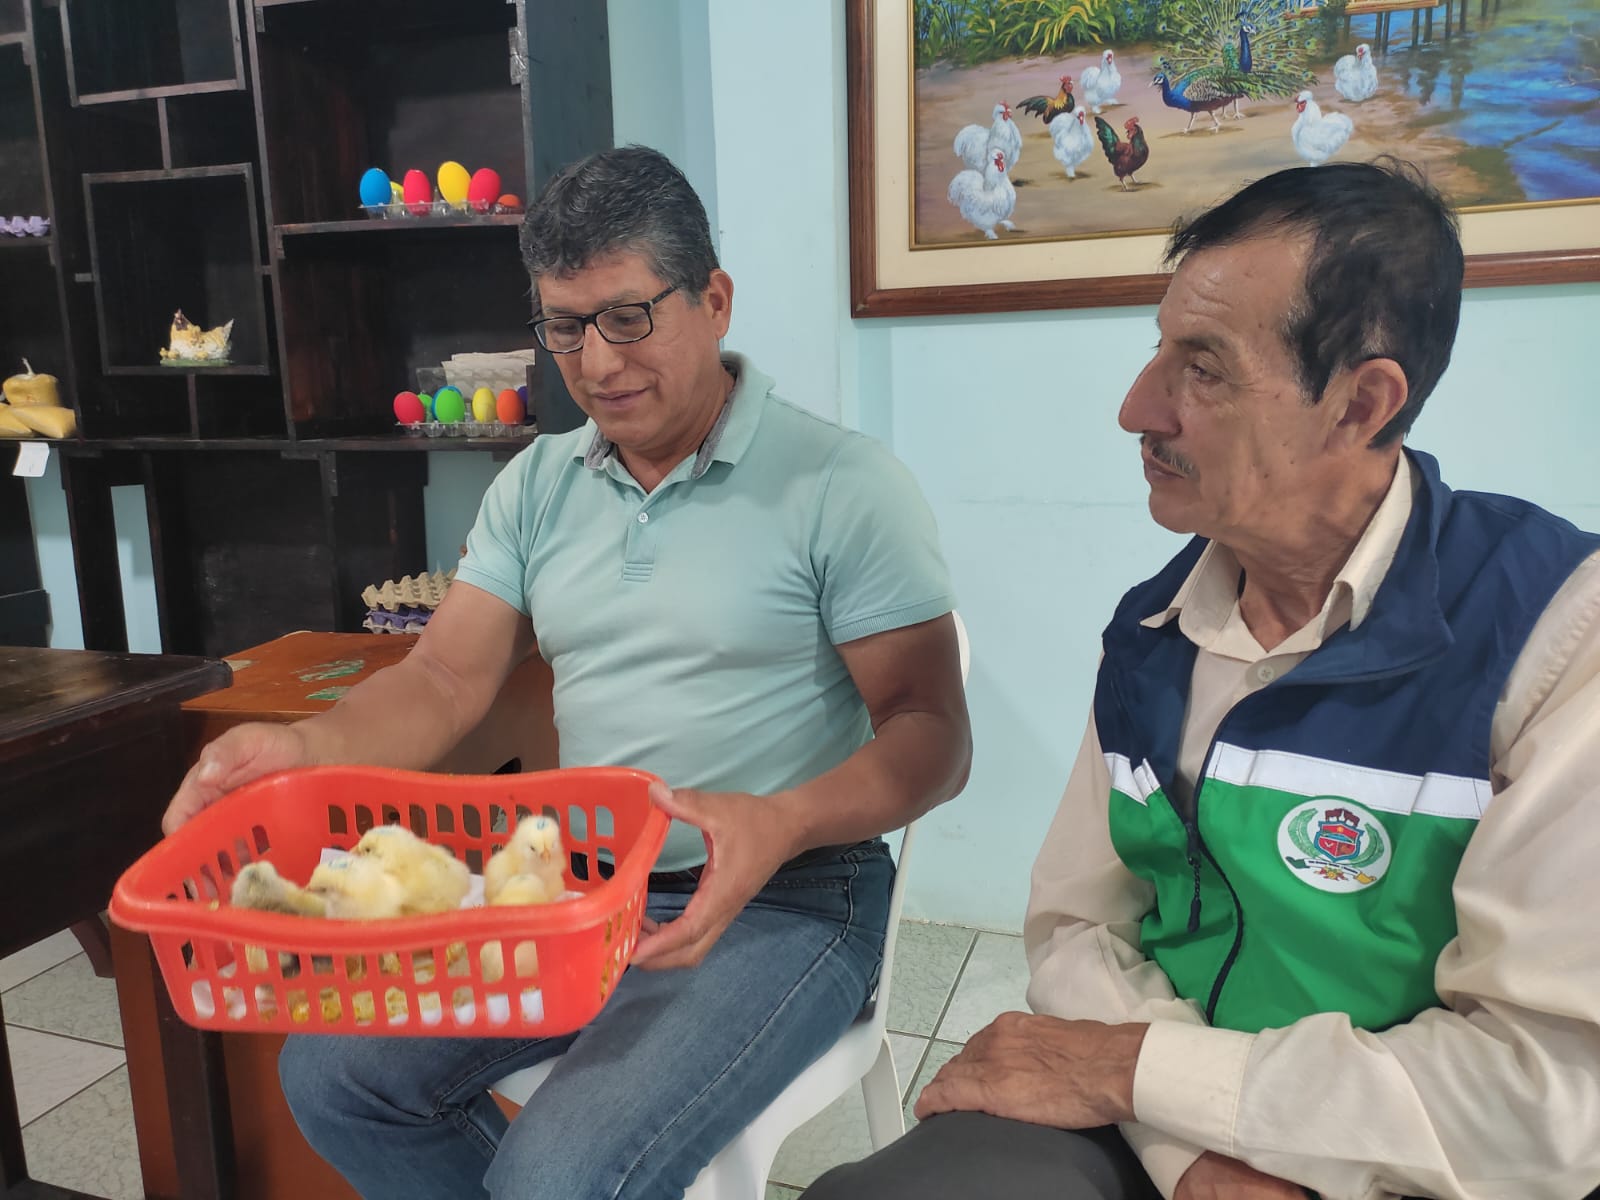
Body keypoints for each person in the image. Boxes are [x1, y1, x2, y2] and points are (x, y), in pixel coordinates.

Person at [162, 145, 972, 1200]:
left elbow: (930, 733)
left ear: (714, 301)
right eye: (563, 327)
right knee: (335, 1077)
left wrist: (781, 820)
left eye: (627, 318)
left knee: (555, 1177)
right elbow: (443, 678)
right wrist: (304, 748)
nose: (596, 364)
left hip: (793, 894)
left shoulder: (840, 484)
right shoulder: (537, 484)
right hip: (581, 893)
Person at [803, 160, 1600, 1200]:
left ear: (1360, 403)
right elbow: (1077, 929)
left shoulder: (1556, 639)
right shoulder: (1155, 630)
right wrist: (1193, 1158)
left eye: (1205, 369)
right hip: (1163, 1127)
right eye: (1159, 351)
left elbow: (1543, 1098)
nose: (1137, 408)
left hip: (1418, 1161)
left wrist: (1141, 1074)